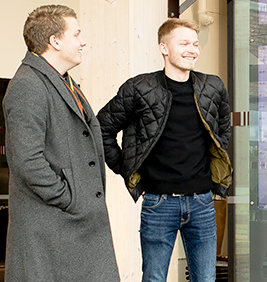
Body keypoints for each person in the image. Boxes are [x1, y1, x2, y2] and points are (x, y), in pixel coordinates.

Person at [97, 18, 233, 282]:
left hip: (203, 201)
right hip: (158, 202)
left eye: (195, 44)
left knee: (205, 279)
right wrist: (127, 170)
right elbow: (101, 128)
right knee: (155, 278)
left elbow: (223, 131)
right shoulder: (139, 88)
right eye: (184, 43)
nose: (192, 49)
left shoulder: (213, 87)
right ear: (164, 48)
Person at [2, 4, 120, 281]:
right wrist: (70, 198)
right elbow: (26, 160)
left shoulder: (61, 81)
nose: (83, 41)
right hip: (54, 226)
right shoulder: (28, 85)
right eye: (76, 34)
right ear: (54, 41)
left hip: (71, 226)